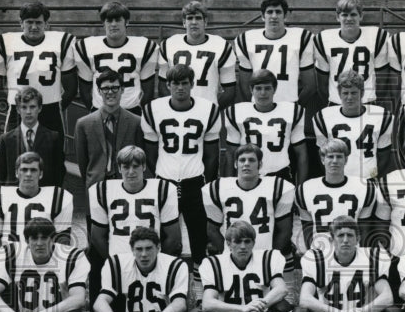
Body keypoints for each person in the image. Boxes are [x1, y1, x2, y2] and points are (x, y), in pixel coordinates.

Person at [141, 64, 221, 264]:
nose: (180, 88)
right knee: (167, 240)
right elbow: (150, 154)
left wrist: (205, 184)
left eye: (185, 83)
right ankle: (165, 283)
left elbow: (212, 155)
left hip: (195, 182)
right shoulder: (153, 109)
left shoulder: (208, 109)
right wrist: (161, 176)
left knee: (199, 239)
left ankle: (201, 287)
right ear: (167, 85)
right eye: (175, 83)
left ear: (192, 84)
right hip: (164, 182)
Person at [292, 216, 398, 312]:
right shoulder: (317, 259)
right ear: (331, 240)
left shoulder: (371, 257)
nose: (346, 240)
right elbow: (305, 300)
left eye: (350, 235)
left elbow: (387, 297)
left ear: (358, 239)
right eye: (340, 235)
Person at [188, 221, 292, 312]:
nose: (243, 246)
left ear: (254, 243)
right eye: (237, 241)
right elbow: (207, 304)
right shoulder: (214, 263)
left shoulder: (267, 258)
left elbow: (281, 289)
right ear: (228, 244)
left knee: (284, 308)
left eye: (247, 241)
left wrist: (254, 311)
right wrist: (243, 309)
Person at [92, 226, 192, 312]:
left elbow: (180, 305)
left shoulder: (175, 265)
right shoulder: (117, 263)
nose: (144, 254)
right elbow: (99, 303)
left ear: (158, 248)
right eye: (139, 249)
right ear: (132, 250)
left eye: (149, 248)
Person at [0, 1, 76, 134]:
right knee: (14, 152)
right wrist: (17, 105)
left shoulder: (62, 42)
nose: (34, 27)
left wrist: (53, 106)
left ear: (46, 24)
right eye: (29, 22)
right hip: (18, 112)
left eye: (39, 22)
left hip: (50, 112)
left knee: (53, 154)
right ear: (21, 23)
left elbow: (71, 88)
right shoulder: (4, 43)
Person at [88, 145, 181, 260]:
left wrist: (157, 262)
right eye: (126, 167)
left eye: (135, 166)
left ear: (144, 166)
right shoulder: (102, 191)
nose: (131, 172)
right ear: (119, 168)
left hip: (151, 260)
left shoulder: (163, 189)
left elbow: (173, 237)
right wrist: (113, 263)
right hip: (119, 260)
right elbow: (97, 237)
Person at [203, 144, 295, 256]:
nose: (246, 163)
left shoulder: (278, 187)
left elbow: (285, 231)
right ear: (235, 164)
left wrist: (270, 257)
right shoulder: (218, 188)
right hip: (232, 257)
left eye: (251, 160)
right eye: (242, 160)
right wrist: (229, 254)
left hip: (264, 255)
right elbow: (212, 230)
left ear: (260, 164)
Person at [72, 0, 160, 113]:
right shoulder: (86, 47)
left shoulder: (145, 46)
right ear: (103, 23)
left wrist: (137, 113)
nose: (113, 24)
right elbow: (85, 90)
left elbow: (148, 91)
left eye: (118, 20)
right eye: (109, 20)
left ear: (126, 22)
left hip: (132, 110)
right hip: (100, 110)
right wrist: (96, 112)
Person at [294, 139, 380, 251]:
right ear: (322, 159)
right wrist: (313, 252)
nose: (334, 161)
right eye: (330, 157)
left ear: (346, 160)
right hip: (320, 251)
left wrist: (362, 255)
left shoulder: (364, 188)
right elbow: (307, 230)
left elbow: (364, 230)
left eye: (339, 157)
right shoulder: (305, 189)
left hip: (351, 252)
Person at [223, 69, 308, 180]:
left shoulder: (292, 112)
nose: (263, 93)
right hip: (247, 175)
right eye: (258, 88)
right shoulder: (235, 113)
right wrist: (228, 185)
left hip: (280, 174)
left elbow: (301, 154)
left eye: (267, 88)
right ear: (251, 90)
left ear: (275, 89)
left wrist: (300, 189)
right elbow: (230, 154)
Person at [234, 0, 316, 106]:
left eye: (278, 12)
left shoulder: (302, 38)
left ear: (285, 15)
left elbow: (310, 85)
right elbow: (244, 85)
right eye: (269, 12)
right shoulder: (246, 39)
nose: (274, 16)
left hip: (289, 103)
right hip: (259, 106)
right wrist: (256, 106)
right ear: (263, 16)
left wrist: (297, 106)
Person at [0, 151, 73, 254]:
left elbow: (62, 242)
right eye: (24, 170)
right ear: (17, 173)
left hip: (44, 259)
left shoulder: (59, 198)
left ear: (41, 174)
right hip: (12, 258)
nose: (28, 174)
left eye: (33, 170)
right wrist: (5, 263)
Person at [313, 70, 393, 181]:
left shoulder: (382, 116)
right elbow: (322, 157)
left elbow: (384, 156)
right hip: (337, 179)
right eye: (345, 93)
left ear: (363, 93)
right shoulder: (323, 117)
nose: (349, 97)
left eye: (354, 93)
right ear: (339, 93)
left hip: (368, 179)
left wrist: (372, 175)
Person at [313, 0, 390, 106]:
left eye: (353, 14)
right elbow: (322, 83)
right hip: (337, 102)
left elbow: (382, 80)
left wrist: (373, 99)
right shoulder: (323, 39)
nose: (349, 19)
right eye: (344, 15)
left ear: (361, 16)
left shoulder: (377, 36)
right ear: (337, 17)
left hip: (367, 102)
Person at [74, 70, 144, 189]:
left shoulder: (136, 122)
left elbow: (140, 158)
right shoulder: (83, 124)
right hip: (96, 185)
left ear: (122, 90)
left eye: (115, 88)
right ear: (99, 91)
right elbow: (83, 162)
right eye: (105, 88)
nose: (110, 92)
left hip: (126, 184)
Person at [158, 1, 236, 107]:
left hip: (208, 110)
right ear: (184, 22)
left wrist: (212, 109)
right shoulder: (169, 44)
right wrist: (175, 107)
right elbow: (163, 86)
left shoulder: (221, 46)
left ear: (206, 22)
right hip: (177, 110)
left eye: (198, 18)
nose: (194, 22)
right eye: (190, 18)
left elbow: (229, 91)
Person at [0, 87, 65, 186]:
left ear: (40, 108)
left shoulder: (53, 138)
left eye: (32, 107)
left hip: (44, 195)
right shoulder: (6, 139)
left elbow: (59, 172)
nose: (28, 112)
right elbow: (2, 172)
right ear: (18, 110)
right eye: (24, 107)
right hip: (15, 194)